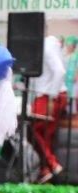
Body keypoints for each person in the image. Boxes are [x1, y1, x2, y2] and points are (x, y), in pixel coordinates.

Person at [31, 35, 66, 183]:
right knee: (45, 136)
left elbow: (60, 71)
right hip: (48, 94)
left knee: (32, 129)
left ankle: (52, 164)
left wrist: (51, 97)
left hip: (49, 95)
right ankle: (45, 171)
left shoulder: (46, 45)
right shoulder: (48, 45)